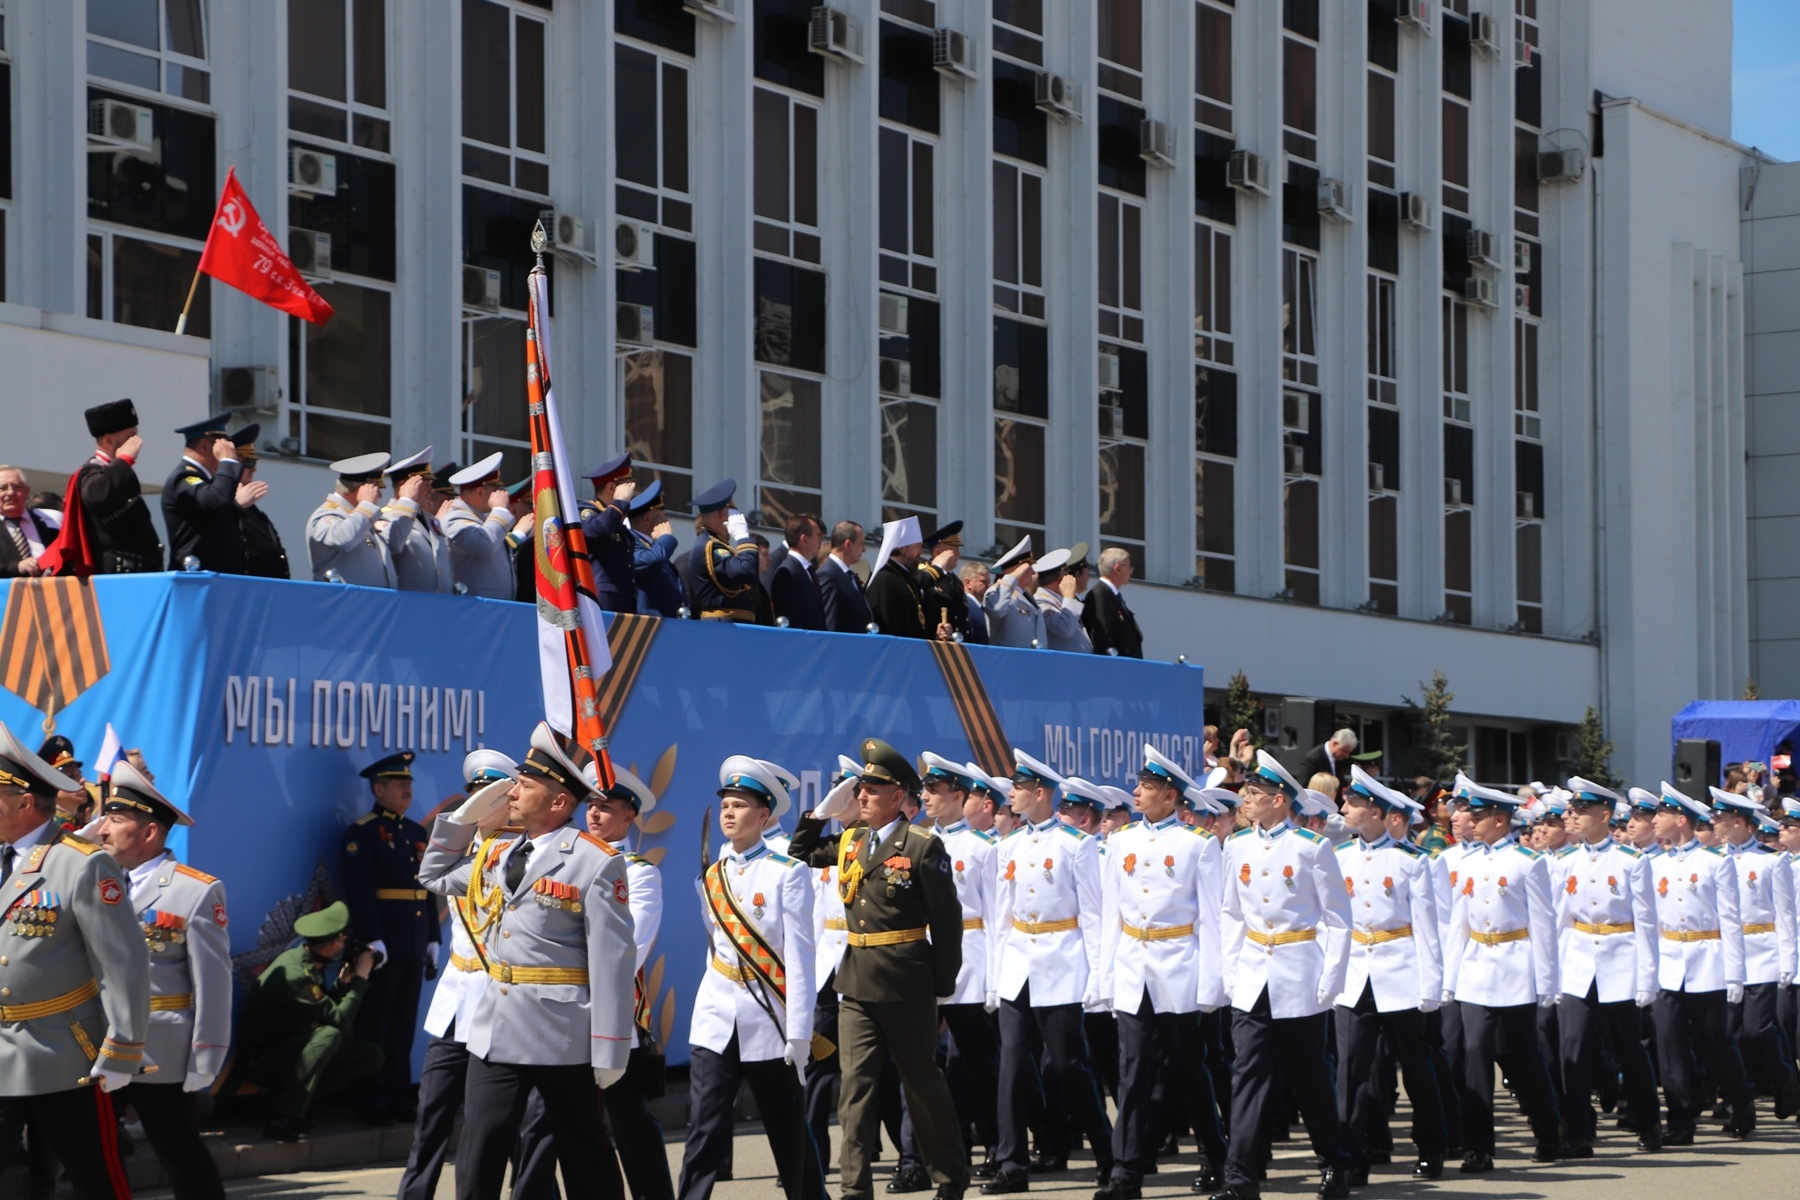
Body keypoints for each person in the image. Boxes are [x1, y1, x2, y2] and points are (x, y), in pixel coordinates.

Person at [417, 722, 637, 1200]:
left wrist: (611, 1047)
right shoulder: (496, 852)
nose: (512, 792)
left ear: (559, 802)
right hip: (495, 1028)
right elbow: (432, 875)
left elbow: (614, 961)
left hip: (563, 1035)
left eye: (524, 785)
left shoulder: (594, 861)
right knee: (478, 1156)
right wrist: (463, 817)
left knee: (585, 1158)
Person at [787, 741, 968, 1200]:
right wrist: (820, 813)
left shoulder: (923, 846)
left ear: (896, 796)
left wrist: (941, 988)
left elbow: (947, 924)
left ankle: (949, 1177)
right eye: (859, 789)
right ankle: (855, 1188)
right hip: (857, 982)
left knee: (922, 1086)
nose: (861, 797)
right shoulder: (851, 841)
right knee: (854, 1089)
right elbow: (802, 852)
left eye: (871, 790)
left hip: (908, 984)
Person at [0, 720, 150, 1198]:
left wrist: (123, 1048)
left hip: (63, 1054)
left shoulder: (82, 863)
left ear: (23, 802)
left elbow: (122, 961)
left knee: (94, 1178)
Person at [398, 752, 550, 1200]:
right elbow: (428, 877)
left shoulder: (520, 856)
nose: (480, 805)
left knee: (506, 1124)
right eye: (474, 797)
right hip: (454, 1002)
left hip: (499, 1000)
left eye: (491, 797)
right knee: (432, 1114)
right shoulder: (462, 854)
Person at [676, 756, 827, 1200]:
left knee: (786, 1129)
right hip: (717, 1017)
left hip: (769, 1019)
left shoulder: (788, 872)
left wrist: (800, 1033)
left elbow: (800, 959)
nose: (728, 812)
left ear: (764, 816)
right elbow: (716, 948)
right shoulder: (712, 876)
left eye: (740, 805)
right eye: (725, 803)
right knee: (704, 1128)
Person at [1210, 750, 1353, 1200]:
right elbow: (1231, 914)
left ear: (1279, 800)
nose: (1245, 800)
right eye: (1247, 792)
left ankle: (1334, 1165)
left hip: (1299, 978)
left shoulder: (1313, 849)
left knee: (1310, 1080)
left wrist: (1329, 979)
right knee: (1247, 1079)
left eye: (1254, 794)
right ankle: (1241, 1180)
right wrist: (1231, 972)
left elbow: (1336, 919)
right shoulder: (1236, 846)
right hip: (1253, 978)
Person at [92, 760, 230, 1200]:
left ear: (149, 832)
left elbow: (213, 982)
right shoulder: (92, 880)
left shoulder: (195, 891)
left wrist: (206, 1055)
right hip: (97, 1044)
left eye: (114, 820)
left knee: (181, 1157)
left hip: (161, 1052)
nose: (102, 830)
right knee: (85, 1158)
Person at [1094, 747, 1227, 1200]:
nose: (1136, 792)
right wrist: (1105, 978)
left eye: (1146, 787)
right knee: (1132, 1075)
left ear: (1169, 795)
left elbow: (1212, 918)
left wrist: (1212, 982)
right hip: (1134, 968)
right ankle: (1125, 1173)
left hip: (1179, 968)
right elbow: (1111, 912)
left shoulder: (1198, 844)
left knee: (1190, 1070)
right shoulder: (1120, 841)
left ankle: (1216, 1156)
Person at [983, 749, 1113, 1193]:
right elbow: (1001, 916)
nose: (1012, 795)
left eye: (1018, 788)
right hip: (1019, 964)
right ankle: (1012, 1165)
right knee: (1013, 1067)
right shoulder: (1008, 846)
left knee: (1068, 1065)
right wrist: (995, 978)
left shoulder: (1077, 845)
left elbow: (1094, 915)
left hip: (1062, 963)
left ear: (1039, 793)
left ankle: (1106, 1151)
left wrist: (1098, 978)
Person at [1441, 773, 1562, 1171]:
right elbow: (1460, 922)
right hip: (1477, 966)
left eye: (1477, 815)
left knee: (1525, 1058)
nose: (1469, 821)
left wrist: (1546, 983)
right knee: (1474, 1052)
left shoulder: (1529, 863)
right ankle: (1480, 1146)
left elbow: (1544, 925)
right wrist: (1450, 979)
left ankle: (1548, 1132)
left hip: (1515, 964)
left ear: (1498, 818)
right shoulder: (1470, 862)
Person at [1332, 767, 1446, 1184]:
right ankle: (1352, 1155)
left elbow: (1427, 928)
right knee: (1351, 1071)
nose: (1345, 808)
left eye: (1354, 803)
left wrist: (1431, 986)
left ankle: (1431, 1146)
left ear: (1377, 812)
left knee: (1417, 1068)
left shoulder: (1412, 862)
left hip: (1401, 974)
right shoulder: (1340, 856)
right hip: (1355, 977)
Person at [1551, 777, 1661, 1154]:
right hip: (1579, 963)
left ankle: (1648, 1122)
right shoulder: (1565, 861)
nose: (1574, 816)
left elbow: (1646, 923)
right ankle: (1580, 1132)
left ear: (1605, 815)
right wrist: (1553, 974)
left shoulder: (1631, 861)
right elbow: (1560, 921)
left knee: (1629, 1049)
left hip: (1620, 962)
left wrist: (1647, 979)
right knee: (1573, 1050)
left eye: (1582, 811)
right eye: (1573, 810)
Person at [581, 764, 675, 1200]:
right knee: (556, 1125)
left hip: (613, 1016)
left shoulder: (637, 872)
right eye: (590, 806)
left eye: (605, 808)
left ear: (628, 818)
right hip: (560, 1012)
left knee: (629, 1123)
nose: (594, 815)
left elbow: (632, 945)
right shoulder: (565, 861)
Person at [1648, 782, 1756, 1141]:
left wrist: (1735, 976)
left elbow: (1731, 921)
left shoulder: (1715, 863)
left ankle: (1741, 1102)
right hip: (1668, 965)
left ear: (1681, 820)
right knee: (1669, 1046)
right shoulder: (1653, 864)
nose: (1655, 819)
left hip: (1707, 963)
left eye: (1661, 814)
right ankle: (1680, 1120)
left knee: (1716, 1044)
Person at [910, 753, 1000, 1181]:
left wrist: (993, 978)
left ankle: (997, 1145)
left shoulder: (983, 848)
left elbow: (997, 917)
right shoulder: (917, 842)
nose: (925, 796)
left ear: (958, 796)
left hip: (970, 962)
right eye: (925, 790)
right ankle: (937, 1153)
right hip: (927, 961)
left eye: (934, 790)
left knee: (976, 1064)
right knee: (925, 1064)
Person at [239, 901, 383, 1141]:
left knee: (371, 1055)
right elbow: (340, 1021)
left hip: (288, 1048)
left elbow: (323, 1010)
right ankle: (283, 1118)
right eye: (342, 941)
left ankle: (288, 1100)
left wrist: (342, 984)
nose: (344, 945)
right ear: (329, 946)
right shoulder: (296, 974)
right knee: (329, 1035)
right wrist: (360, 979)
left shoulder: (306, 961)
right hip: (264, 1061)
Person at [340, 751, 432, 1125]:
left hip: (412, 939)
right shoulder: (361, 833)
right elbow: (360, 891)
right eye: (399, 784)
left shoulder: (415, 832)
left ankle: (398, 1094)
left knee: (402, 1022)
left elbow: (428, 887)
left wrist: (433, 936)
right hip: (382, 944)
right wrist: (372, 939)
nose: (407, 790)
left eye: (409, 784)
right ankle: (370, 1097)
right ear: (378, 790)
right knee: (375, 1020)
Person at [62, 397, 163, 574]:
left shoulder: (114, 472)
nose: (137, 443)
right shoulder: (91, 472)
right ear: (108, 440)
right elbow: (96, 496)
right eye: (130, 436)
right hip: (119, 572)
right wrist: (124, 460)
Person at [306, 452, 405, 587]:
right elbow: (343, 539)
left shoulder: (362, 516)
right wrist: (366, 504)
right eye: (375, 489)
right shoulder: (327, 514)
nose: (380, 495)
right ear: (362, 489)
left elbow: (395, 543)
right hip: (344, 604)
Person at [161, 415, 246, 572]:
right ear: (204, 447)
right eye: (221, 447)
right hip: (196, 579)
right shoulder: (184, 477)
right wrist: (227, 462)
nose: (227, 453)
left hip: (217, 579)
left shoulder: (207, 480)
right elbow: (215, 500)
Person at [444, 453, 525, 600]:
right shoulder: (454, 518)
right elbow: (485, 544)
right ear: (480, 492)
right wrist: (499, 510)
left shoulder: (480, 519)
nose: (503, 495)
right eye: (497, 490)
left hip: (492, 607)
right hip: (474, 609)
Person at [683, 479, 762, 623]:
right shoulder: (711, 547)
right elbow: (747, 571)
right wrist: (742, 536)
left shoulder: (716, 544)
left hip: (729, 625)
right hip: (721, 627)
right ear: (723, 514)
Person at [387, 447, 454, 593]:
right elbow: (393, 543)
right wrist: (407, 500)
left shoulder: (429, 519)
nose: (431, 491)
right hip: (408, 605)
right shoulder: (386, 516)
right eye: (425, 485)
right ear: (405, 485)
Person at [867, 517, 944, 640]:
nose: (921, 552)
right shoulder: (884, 579)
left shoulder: (908, 579)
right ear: (902, 548)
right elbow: (887, 626)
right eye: (918, 546)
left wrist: (935, 633)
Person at [581, 452, 639, 613]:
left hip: (622, 600)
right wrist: (619, 502)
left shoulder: (615, 519)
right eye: (627, 484)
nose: (632, 491)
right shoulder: (587, 511)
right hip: (601, 600)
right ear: (611, 487)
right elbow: (596, 531)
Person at [231, 429, 291, 579]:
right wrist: (235, 505)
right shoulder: (222, 504)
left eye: (254, 462)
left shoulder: (253, 510)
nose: (254, 469)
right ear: (233, 464)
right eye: (249, 462)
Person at [630, 480, 685, 617]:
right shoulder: (631, 543)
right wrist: (665, 537)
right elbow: (653, 561)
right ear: (648, 519)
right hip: (648, 626)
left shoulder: (654, 546)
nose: (667, 521)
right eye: (662, 517)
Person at [0, 464, 62, 578]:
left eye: (16, 487)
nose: (10, 493)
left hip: (53, 590)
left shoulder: (51, 520)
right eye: (3, 488)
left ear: (27, 491)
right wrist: (18, 567)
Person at [984, 539, 1046, 650]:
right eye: (1028, 568)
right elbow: (997, 611)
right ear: (1016, 569)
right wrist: (1012, 577)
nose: (1033, 572)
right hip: (1010, 660)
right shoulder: (996, 591)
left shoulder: (1026, 595)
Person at [1081, 549, 1142, 658]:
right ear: (1118, 569)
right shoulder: (1100, 595)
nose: (1131, 571)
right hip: (1117, 668)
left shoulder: (1112, 596)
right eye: (1129, 567)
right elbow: (1103, 638)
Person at [770, 513, 827, 631]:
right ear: (804, 539)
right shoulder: (787, 572)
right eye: (817, 536)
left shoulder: (806, 570)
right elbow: (791, 621)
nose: (820, 542)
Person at [916, 522, 970, 642]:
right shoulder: (925, 574)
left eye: (958, 549)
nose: (958, 554)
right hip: (934, 643)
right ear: (938, 552)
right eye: (953, 550)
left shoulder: (956, 581)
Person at [818, 520, 874, 633]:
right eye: (861, 543)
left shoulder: (849, 575)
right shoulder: (828, 575)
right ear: (848, 544)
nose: (864, 549)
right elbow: (831, 623)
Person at [1032, 550, 1091, 653]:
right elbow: (1064, 629)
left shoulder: (1059, 599)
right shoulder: (1042, 601)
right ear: (1061, 579)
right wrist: (1069, 596)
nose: (1072, 579)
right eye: (1068, 576)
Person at [960, 561, 991, 645]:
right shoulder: (964, 606)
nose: (988, 586)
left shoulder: (981, 607)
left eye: (989, 582)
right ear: (968, 583)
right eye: (983, 582)